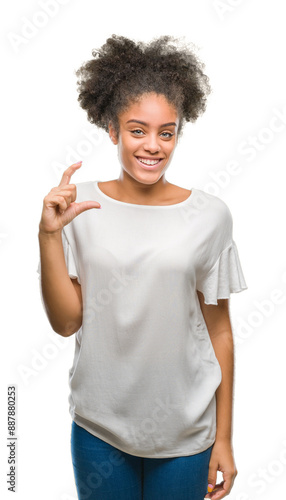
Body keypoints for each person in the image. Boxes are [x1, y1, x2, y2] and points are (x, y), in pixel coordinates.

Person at [37, 34, 248, 500]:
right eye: (137, 130)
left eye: (166, 132)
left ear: (177, 133)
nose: (153, 146)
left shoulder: (210, 215)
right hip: (99, 431)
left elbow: (221, 333)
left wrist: (226, 439)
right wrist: (49, 235)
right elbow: (66, 321)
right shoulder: (79, 208)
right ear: (112, 130)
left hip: (186, 436)